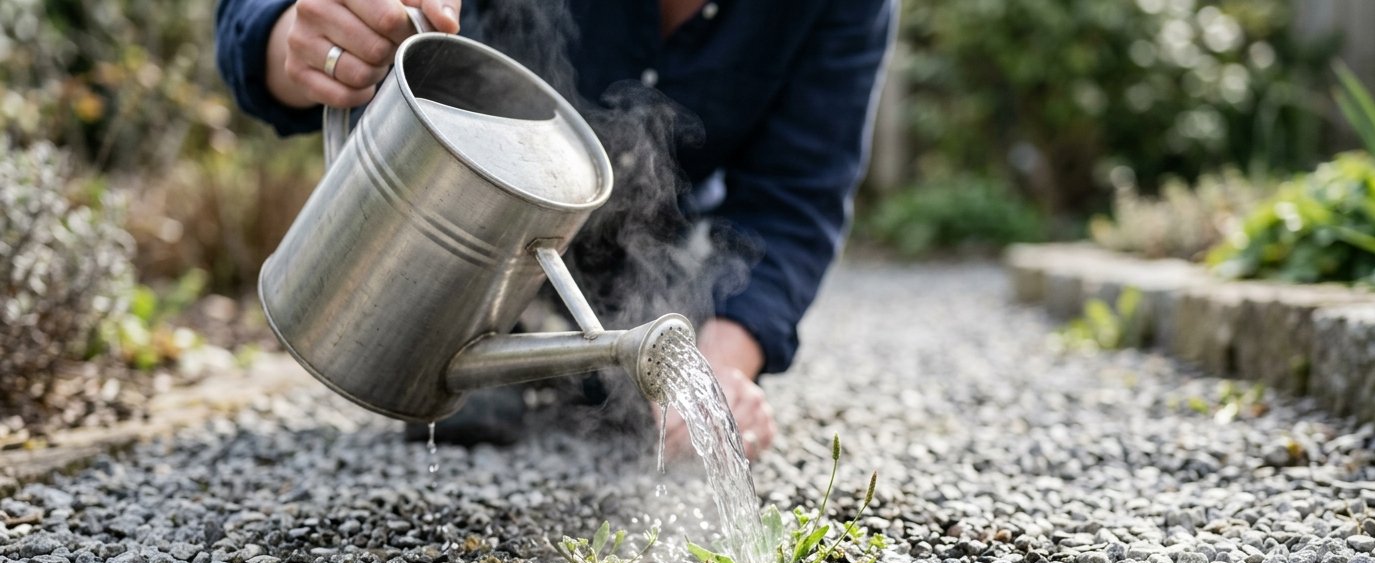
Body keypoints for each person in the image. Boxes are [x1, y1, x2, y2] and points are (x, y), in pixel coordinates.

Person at [216, 0, 894, 460]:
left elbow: (795, 196)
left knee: (619, 379)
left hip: (648, 256)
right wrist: (300, 40)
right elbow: (252, 20)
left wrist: (720, 363)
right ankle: (475, 334)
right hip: (446, 221)